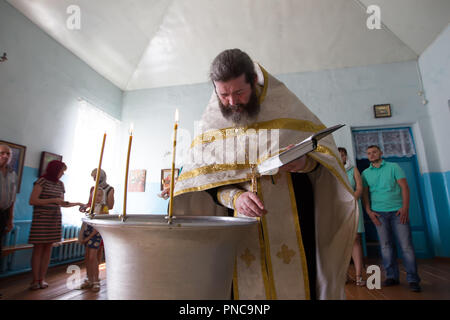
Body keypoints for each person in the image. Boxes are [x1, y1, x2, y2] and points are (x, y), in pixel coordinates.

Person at [172, 49, 358, 299]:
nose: (231, 102)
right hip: (238, 228)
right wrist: (235, 198)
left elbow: (325, 162)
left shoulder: (287, 108)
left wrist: (304, 163)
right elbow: (205, 183)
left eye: (239, 92)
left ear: (254, 83)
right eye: (223, 94)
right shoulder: (212, 126)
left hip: (295, 222)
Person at [361, 145, 421, 292]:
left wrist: (405, 207)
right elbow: (364, 194)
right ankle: (391, 276)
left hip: (398, 213)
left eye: (374, 152)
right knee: (386, 247)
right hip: (378, 214)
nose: (372, 155)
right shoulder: (365, 173)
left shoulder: (394, 167)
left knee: (406, 247)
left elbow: (404, 187)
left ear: (381, 153)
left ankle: (413, 279)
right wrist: (369, 211)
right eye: (369, 153)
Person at [28, 160, 83, 290]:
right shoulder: (41, 181)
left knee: (48, 249)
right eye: (61, 171)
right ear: (54, 169)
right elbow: (33, 200)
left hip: (54, 219)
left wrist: (78, 203)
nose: (62, 173)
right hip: (41, 220)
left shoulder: (60, 184)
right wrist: (53, 200)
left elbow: (62, 203)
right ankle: (35, 280)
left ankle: (42, 279)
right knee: (38, 249)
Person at [78, 169, 114, 292]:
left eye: (95, 177)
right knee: (88, 256)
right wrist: (86, 207)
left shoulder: (109, 189)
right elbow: (90, 203)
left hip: (99, 223)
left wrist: (100, 204)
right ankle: (89, 278)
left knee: (95, 255)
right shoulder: (93, 188)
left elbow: (110, 205)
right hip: (91, 223)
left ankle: (95, 279)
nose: (94, 179)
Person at [339, 147, 366, 286]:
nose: (341, 157)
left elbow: (360, 188)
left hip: (354, 206)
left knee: (355, 239)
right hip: (338, 209)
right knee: (341, 242)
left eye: (343, 155)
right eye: (338, 155)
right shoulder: (332, 170)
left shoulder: (353, 169)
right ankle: (344, 275)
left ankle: (358, 275)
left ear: (346, 156)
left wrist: (351, 201)